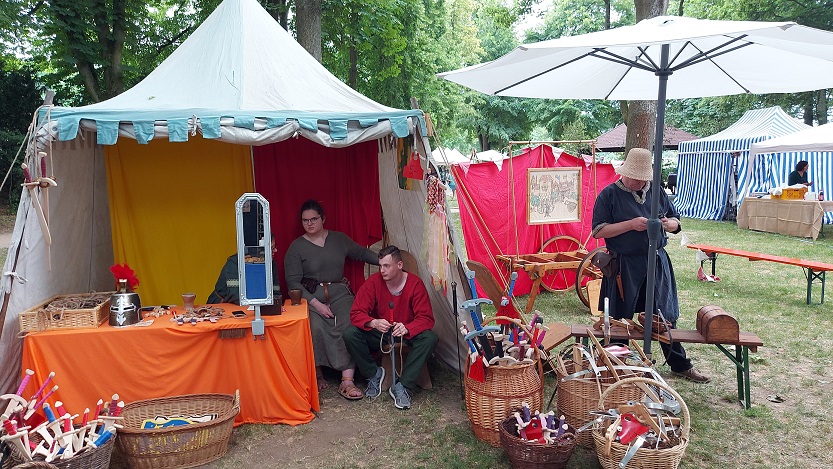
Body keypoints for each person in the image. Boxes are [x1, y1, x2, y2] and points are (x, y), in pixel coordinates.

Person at [592, 147, 710, 384]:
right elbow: (598, 231)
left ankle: (679, 364)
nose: (640, 182)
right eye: (636, 177)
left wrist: (669, 224)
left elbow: (677, 223)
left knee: (663, 317)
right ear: (625, 172)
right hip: (623, 265)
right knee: (619, 318)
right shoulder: (609, 195)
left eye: (644, 178)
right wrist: (631, 224)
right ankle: (618, 366)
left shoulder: (657, 192)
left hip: (655, 262)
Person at [284, 199, 379, 400]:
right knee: (315, 326)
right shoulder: (296, 247)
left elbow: (361, 253)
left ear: (323, 219)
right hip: (309, 298)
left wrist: (385, 261)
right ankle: (317, 375)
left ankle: (347, 380)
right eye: (305, 220)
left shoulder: (339, 239)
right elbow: (293, 283)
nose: (309, 223)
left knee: (350, 323)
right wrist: (316, 304)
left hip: (339, 294)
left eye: (313, 219)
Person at [343, 246, 437, 409]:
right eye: (380, 266)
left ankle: (403, 386)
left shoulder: (415, 284)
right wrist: (373, 322)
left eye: (387, 266)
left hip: (406, 332)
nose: (382, 270)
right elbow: (356, 313)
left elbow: (426, 318)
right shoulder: (373, 282)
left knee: (430, 338)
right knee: (350, 333)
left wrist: (408, 328)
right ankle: (374, 374)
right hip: (382, 332)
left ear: (399, 265)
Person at [207, 237, 281, 305]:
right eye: (272, 248)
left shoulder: (272, 263)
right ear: (259, 249)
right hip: (223, 304)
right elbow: (235, 295)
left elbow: (275, 290)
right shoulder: (234, 262)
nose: (276, 250)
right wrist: (259, 303)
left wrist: (275, 304)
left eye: (275, 247)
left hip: (256, 304)